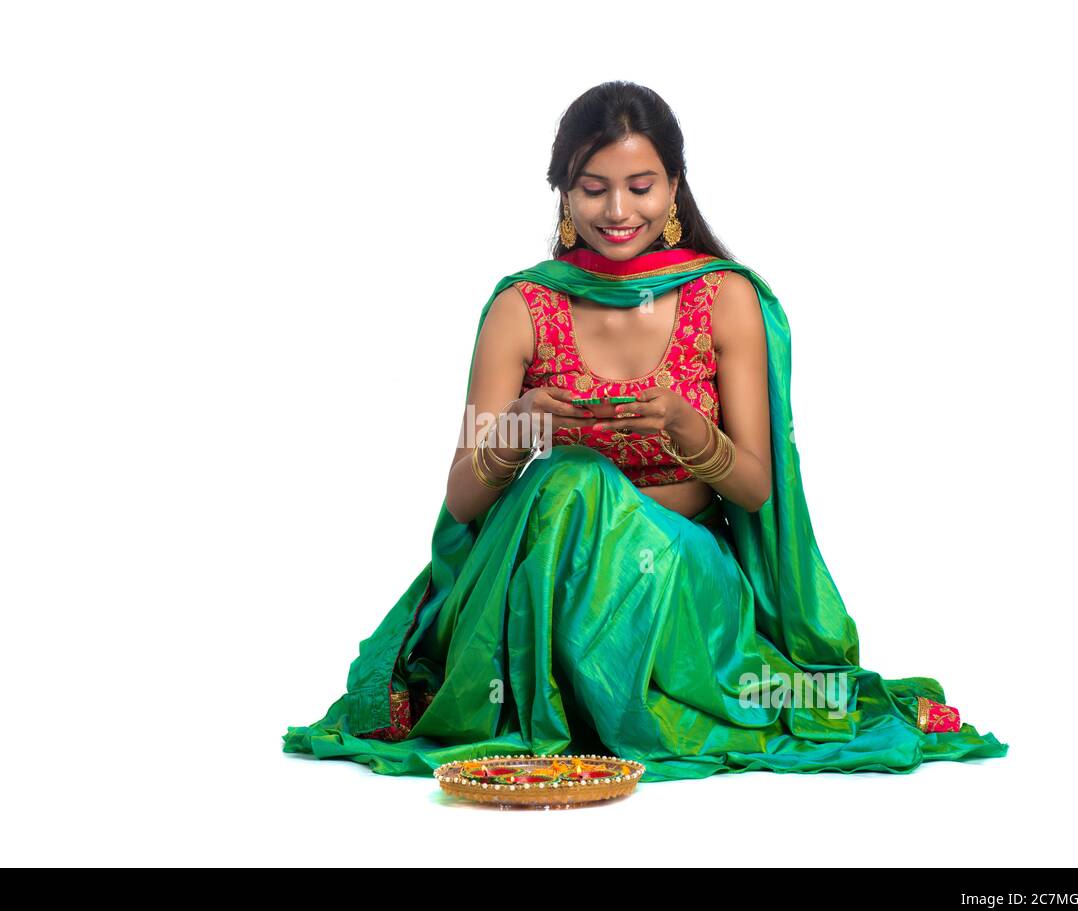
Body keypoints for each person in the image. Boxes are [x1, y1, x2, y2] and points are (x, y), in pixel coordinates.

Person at [281, 81, 1009, 782]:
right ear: (563, 194)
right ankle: (560, 703)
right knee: (569, 480)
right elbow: (463, 497)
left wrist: (698, 435)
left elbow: (755, 487)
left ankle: (579, 709)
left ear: (674, 188)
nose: (618, 208)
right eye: (593, 187)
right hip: (547, 579)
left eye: (641, 185)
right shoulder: (522, 307)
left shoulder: (724, 298)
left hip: (683, 582)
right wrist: (517, 431)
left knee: (576, 481)